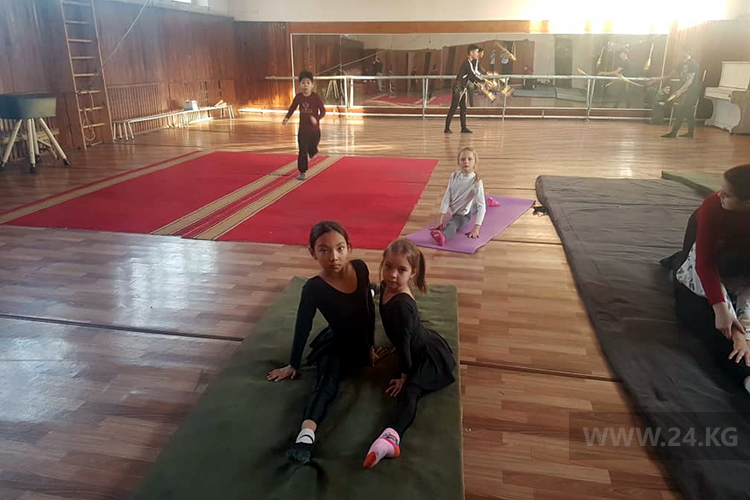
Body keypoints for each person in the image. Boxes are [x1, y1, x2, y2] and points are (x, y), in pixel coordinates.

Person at [267, 221, 390, 463]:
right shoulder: (313, 288)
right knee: (326, 384)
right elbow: (303, 326)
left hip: (359, 345)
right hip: (335, 344)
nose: (334, 257)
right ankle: (305, 436)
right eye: (324, 250)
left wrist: (369, 348)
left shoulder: (360, 268)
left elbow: (368, 311)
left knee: (367, 299)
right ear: (312, 252)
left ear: (349, 248)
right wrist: (293, 363)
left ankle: (371, 292)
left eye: (340, 248)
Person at [363, 238, 456, 468]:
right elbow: (379, 288)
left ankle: (391, 437)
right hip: (410, 343)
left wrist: (404, 376)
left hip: (422, 355)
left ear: (412, 272)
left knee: (410, 392)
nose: (392, 275)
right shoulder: (387, 285)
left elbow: (405, 346)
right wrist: (369, 290)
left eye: (401, 270)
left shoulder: (402, 306)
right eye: (388, 266)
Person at [668, 165, 750, 394]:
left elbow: (746, 289)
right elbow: (704, 265)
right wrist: (722, 310)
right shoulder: (713, 206)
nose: (718, 194)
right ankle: (678, 260)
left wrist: (744, 334)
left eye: (727, 194)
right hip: (703, 256)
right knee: (698, 310)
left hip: (734, 259)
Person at [430, 147, 498, 246]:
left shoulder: (477, 182)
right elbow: (447, 196)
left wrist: (476, 228)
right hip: (460, 209)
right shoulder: (454, 176)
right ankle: (489, 201)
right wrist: (440, 219)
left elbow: (481, 206)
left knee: (453, 224)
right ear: (458, 162)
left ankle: (443, 237)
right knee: (472, 208)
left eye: (469, 159)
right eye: (463, 159)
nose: (466, 162)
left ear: (475, 162)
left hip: (462, 215)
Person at [648, 46, 702, 138]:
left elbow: (690, 81)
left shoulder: (693, 64)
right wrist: (656, 79)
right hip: (686, 90)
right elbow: (670, 75)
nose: (678, 54)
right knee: (688, 112)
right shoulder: (681, 65)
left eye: (680, 52)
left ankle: (674, 132)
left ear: (685, 52)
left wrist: (680, 91)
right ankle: (690, 133)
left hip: (692, 91)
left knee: (682, 111)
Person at [282, 71, 326, 181]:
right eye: (303, 83)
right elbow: (292, 108)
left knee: (312, 149)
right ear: (300, 85)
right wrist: (287, 118)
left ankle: (313, 151)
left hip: (314, 131)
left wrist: (316, 119)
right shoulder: (298, 97)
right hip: (303, 130)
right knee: (302, 151)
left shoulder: (315, 97)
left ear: (312, 85)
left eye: (308, 83)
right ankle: (302, 171)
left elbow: (323, 111)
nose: (305, 85)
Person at [444, 44, 486, 134]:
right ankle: (446, 128)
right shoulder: (467, 63)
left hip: (463, 88)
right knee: (453, 107)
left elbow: (470, 77)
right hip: (458, 88)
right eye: (476, 52)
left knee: (463, 108)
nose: (477, 53)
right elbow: (473, 75)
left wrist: (478, 83)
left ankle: (463, 128)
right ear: (471, 53)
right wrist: (484, 81)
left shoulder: (470, 63)